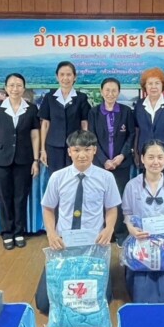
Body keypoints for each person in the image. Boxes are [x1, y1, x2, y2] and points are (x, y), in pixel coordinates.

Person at [35, 130, 121, 313]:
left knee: (102, 299)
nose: (82, 155)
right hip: (63, 244)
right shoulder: (57, 177)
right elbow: (48, 208)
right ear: (69, 152)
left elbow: (111, 208)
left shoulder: (106, 178)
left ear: (94, 150)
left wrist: (109, 229)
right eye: (76, 150)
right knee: (44, 303)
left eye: (87, 150)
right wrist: (51, 234)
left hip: (94, 244)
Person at [122, 139, 164, 303]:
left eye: (160, 157)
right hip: (142, 241)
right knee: (143, 296)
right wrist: (132, 230)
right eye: (150, 157)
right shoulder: (131, 186)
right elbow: (127, 214)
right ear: (142, 159)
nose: (155, 162)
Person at [0, 73, 40, 250]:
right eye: (11, 85)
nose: (15, 89)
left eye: (19, 85)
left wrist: (35, 160)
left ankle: (19, 231)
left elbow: (35, 135)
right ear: (6, 88)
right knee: (3, 196)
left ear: (24, 88)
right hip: (0, 158)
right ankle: (7, 233)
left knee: (20, 196)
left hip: (24, 159)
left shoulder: (31, 108)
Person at [88, 77, 135, 246]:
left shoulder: (126, 111)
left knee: (119, 198)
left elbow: (131, 135)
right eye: (107, 90)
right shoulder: (94, 112)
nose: (110, 93)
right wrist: (104, 160)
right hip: (100, 164)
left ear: (118, 92)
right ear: (101, 92)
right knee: (100, 197)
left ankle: (120, 233)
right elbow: (92, 138)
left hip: (122, 163)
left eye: (114, 90)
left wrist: (121, 156)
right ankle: (105, 232)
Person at [38, 61, 91, 173]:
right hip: (53, 147)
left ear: (74, 77)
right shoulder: (49, 97)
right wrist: (43, 149)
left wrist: (85, 146)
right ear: (57, 77)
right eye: (62, 74)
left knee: (75, 176)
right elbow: (45, 124)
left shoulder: (81, 98)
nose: (65, 78)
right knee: (56, 177)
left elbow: (84, 124)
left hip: (76, 146)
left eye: (69, 74)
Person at [133, 67, 164, 179]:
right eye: (150, 83)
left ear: (162, 85)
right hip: (146, 156)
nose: (153, 87)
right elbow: (136, 130)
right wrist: (136, 152)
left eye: (157, 83)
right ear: (145, 86)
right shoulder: (139, 105)